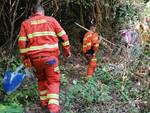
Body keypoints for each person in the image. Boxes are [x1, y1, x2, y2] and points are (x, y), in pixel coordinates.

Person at [18, 4, 71, 113]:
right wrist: (66, 51)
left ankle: (44, 104)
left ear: (32, 13)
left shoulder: (25, 23)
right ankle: (53, 109)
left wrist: (25, 59)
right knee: (53, 82)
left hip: (36, 60)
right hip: (51, 59)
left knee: (41, 80)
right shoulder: (51, 20)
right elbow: (64, 36)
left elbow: (22, 43)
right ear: (43, 12)